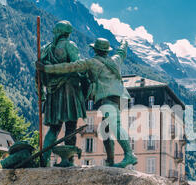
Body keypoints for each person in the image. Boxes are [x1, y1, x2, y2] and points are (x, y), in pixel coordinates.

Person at [36, 38, 137, 168]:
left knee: (114, 125)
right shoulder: (115, 60)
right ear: (106, 51)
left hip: (107, 97)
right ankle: (110, 161)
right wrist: (125, 41)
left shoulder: (91, 63)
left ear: (95, 49)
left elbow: (68, 67)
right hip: (120, 96)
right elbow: (122, 52)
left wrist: (46, 68)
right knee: (105, 129)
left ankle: (129, 154)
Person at [38, 20, 87, 166]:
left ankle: (44, 159)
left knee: (54, 128)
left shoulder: (46, 49)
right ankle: (68, 160)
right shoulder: (69, 45)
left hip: (53, 92)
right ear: (67, 33)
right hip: (69, 90)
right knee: (71, 126)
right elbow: (77, 65)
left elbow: (40, 73)